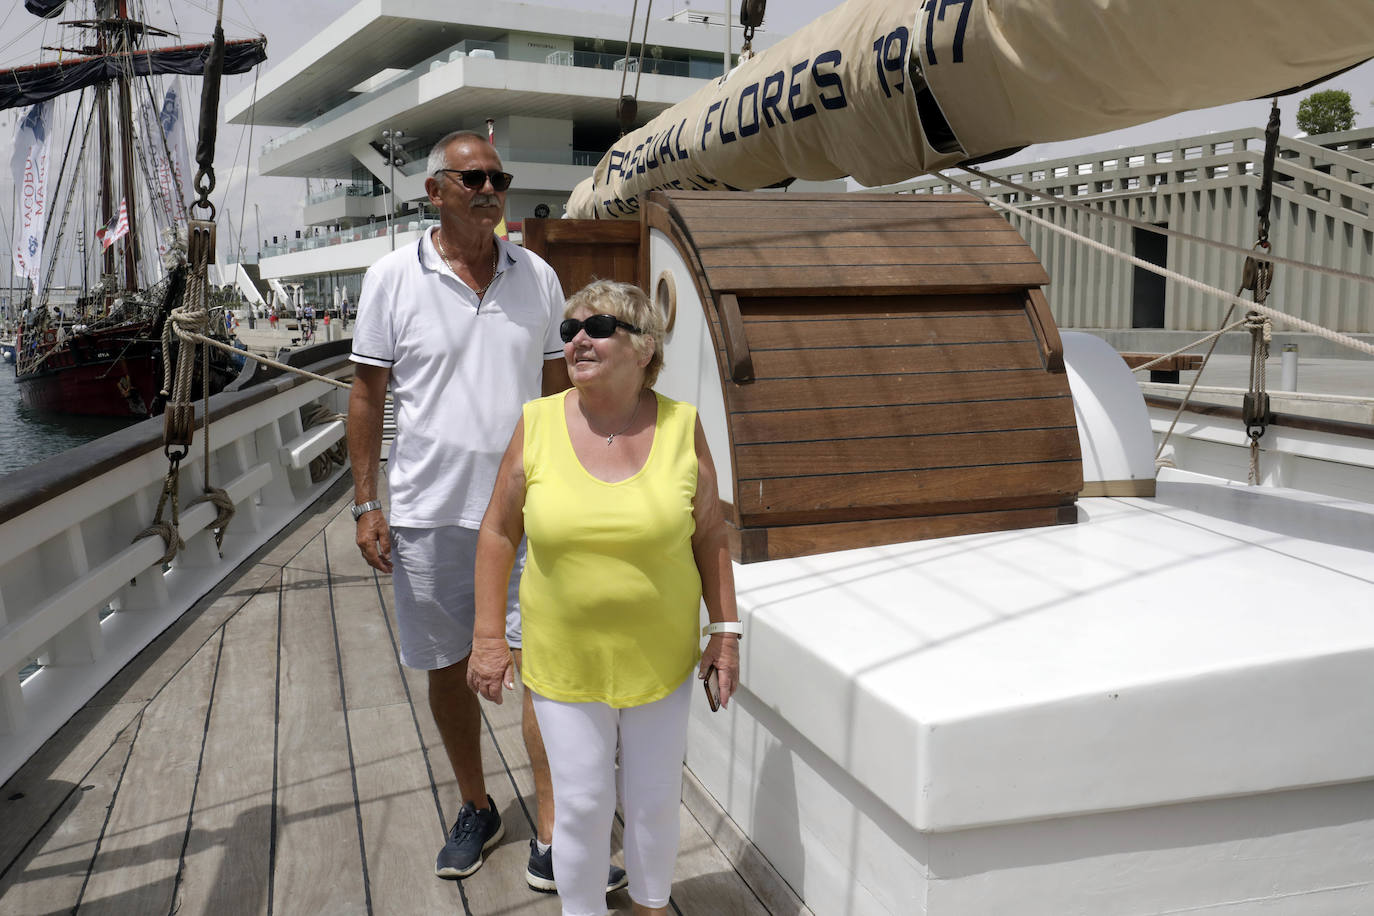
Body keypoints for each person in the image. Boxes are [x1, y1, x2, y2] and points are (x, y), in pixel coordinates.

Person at [348, 130, 592, 885]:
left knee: (542, 666)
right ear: (436, 192)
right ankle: (476, 804)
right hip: (428, 510)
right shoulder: (392, 278)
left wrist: (574, 484)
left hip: (530, 510)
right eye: (473, 178)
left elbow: (561, 390)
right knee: (448, 667)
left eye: (498, 177)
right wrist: (365, 502)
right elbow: (367, 394)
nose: (490, 189)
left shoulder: (539, 276)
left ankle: (550, 829)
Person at [469, 280, 742, 916]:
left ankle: (649, 907)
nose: (577, 340)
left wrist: (724, 633)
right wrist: (487, 637)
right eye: (568, 331)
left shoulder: (683, 427)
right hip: (564, 658)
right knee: (583, 803)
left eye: (597, 328)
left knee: (650, 800)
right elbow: (497, 530)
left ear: (645, 347)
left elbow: (710, 535)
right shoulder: (537, 423)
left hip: (661, 657)